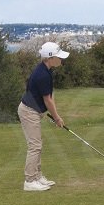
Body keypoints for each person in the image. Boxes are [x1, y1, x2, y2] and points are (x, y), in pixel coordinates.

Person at [18, 42, 69, 191]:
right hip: (29, 111)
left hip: (33, 110)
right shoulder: (42, 75)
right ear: (50, 58)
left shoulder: (46, 71)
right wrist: (57, 118)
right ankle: (30, 180)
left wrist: (54, 115)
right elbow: (47, 100)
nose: (61, 59)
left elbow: (49, 98)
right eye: (58, 57)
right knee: (35, 146)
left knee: (37, 145)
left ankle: (37, 176)